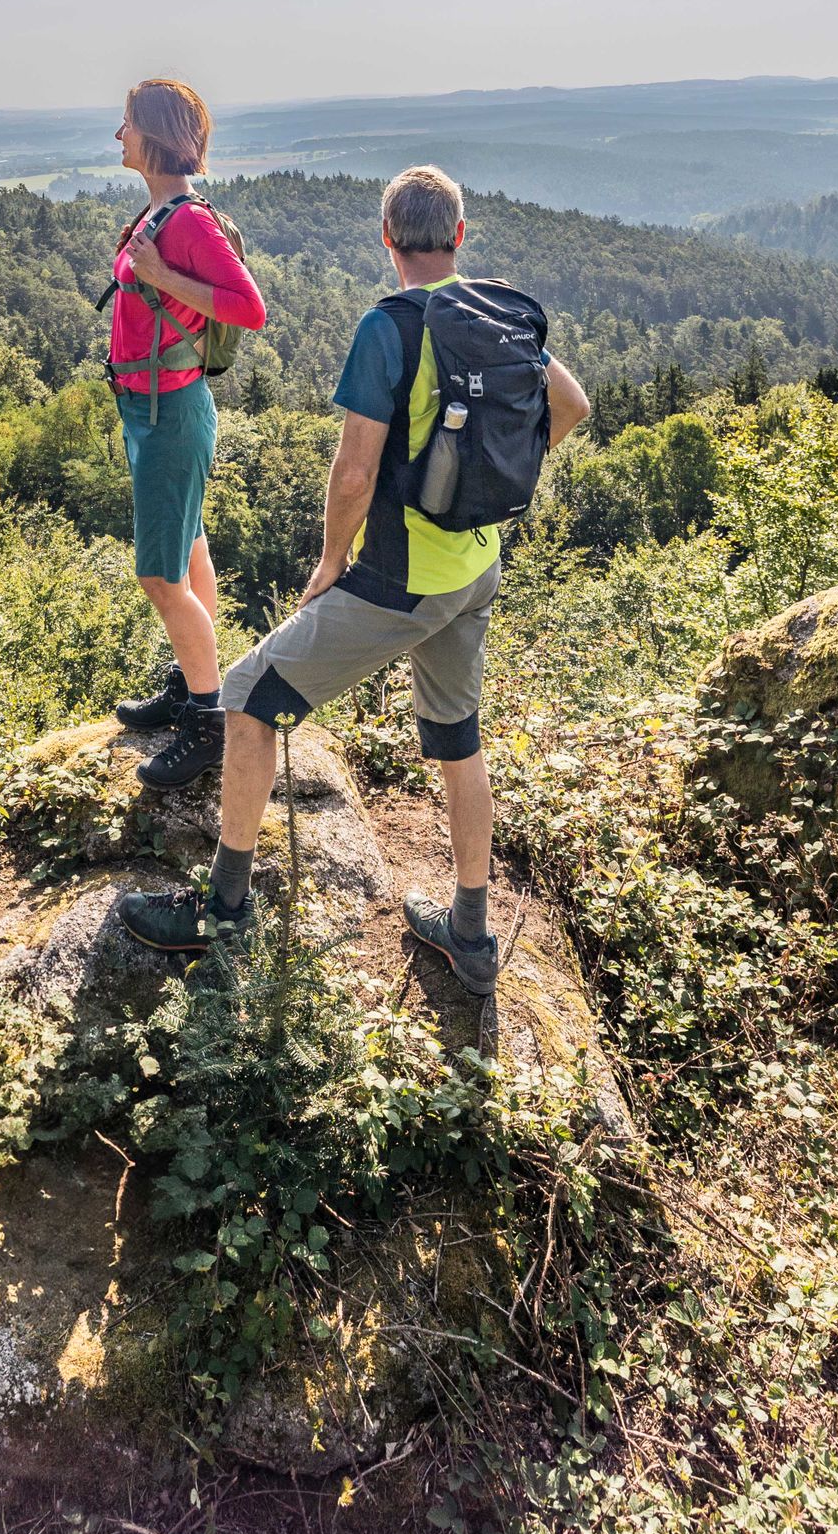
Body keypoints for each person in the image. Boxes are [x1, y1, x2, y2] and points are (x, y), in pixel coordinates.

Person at [115, 163, 590, 994]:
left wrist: (332, 563)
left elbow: (352, 473)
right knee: (457, 737)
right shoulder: (500, 314)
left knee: (243, 697)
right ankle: (471, 934)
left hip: (401, 577)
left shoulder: (391, 327)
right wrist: (489, 479)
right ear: (460, 237)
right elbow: (573, 406)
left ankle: (222, 911)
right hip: (476, 566)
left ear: (386, 239)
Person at [106, 79, 268, 788]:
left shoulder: (188, 224)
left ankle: (209, 722)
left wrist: (164, 275)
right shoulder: (160, 211)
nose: (119, 136)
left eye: (128, 125)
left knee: (158, 573)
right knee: (191, 543)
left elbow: (249, 308)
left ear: (156, 136)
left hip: (171, 414)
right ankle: (193, 683)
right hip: (149, 411)